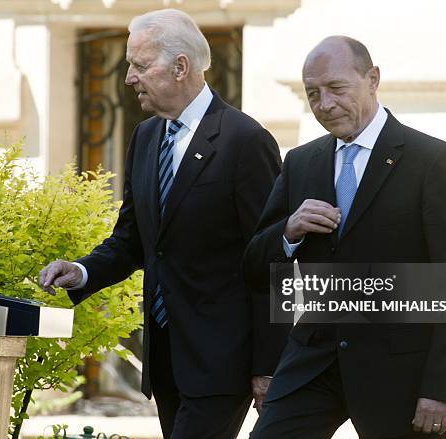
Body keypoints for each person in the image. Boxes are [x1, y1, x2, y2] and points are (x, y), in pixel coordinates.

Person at [39, 9, 289, 439]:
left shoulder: (245, 141)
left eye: (139, 65)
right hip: (167, 360)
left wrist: (268, 367)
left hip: (221, 362)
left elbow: (271, 262)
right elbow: (133, 241)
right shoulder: (146, 136)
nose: (129, 79)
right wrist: (80, 270)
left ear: (180, 67)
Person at [243, 36, 446, 438]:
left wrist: (443, 389)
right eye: (312, 93)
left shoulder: (432, 161)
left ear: (373, 79)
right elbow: (252, 268)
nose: (324, 104)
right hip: (313, 361)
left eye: (336, 89)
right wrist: (288, 232)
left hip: (398, 369)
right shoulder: (301, 162)